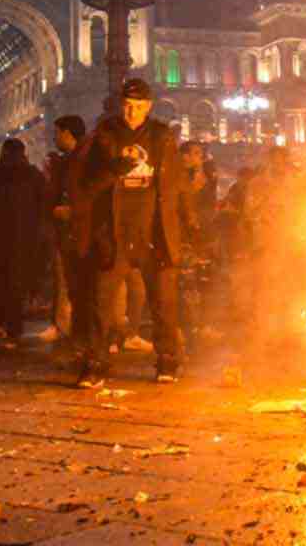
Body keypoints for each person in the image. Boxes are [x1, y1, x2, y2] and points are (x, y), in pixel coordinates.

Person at [76, 78, 196, 388]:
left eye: (139, 107)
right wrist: (114, 169)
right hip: (114, 234)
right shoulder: (105, 135)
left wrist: (191, 225)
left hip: (155, 234)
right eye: (128, 106)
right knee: (101, 305)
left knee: (164, 304)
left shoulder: (161, 136)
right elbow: (86, 186)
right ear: (121, 105)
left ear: (149, 107)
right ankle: (95, 366)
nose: (132, 112)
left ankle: (167, 363)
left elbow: (178, 186)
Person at [0, 138, 47, 347]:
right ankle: (14, 330)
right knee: (16, 285)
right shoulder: (33, 175)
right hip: (24, 239)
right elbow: (43, 203)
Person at [46, 115, 90, 349]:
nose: (54, 138)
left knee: (78, 283)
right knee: (70, 282)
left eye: (57, 133)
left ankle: (82, 334)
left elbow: (92, 193)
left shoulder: (83, 159)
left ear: (67, 133)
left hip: (79, 229)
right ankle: (74, 331)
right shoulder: (68, 160)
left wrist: (72, 211)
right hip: (68, 230)